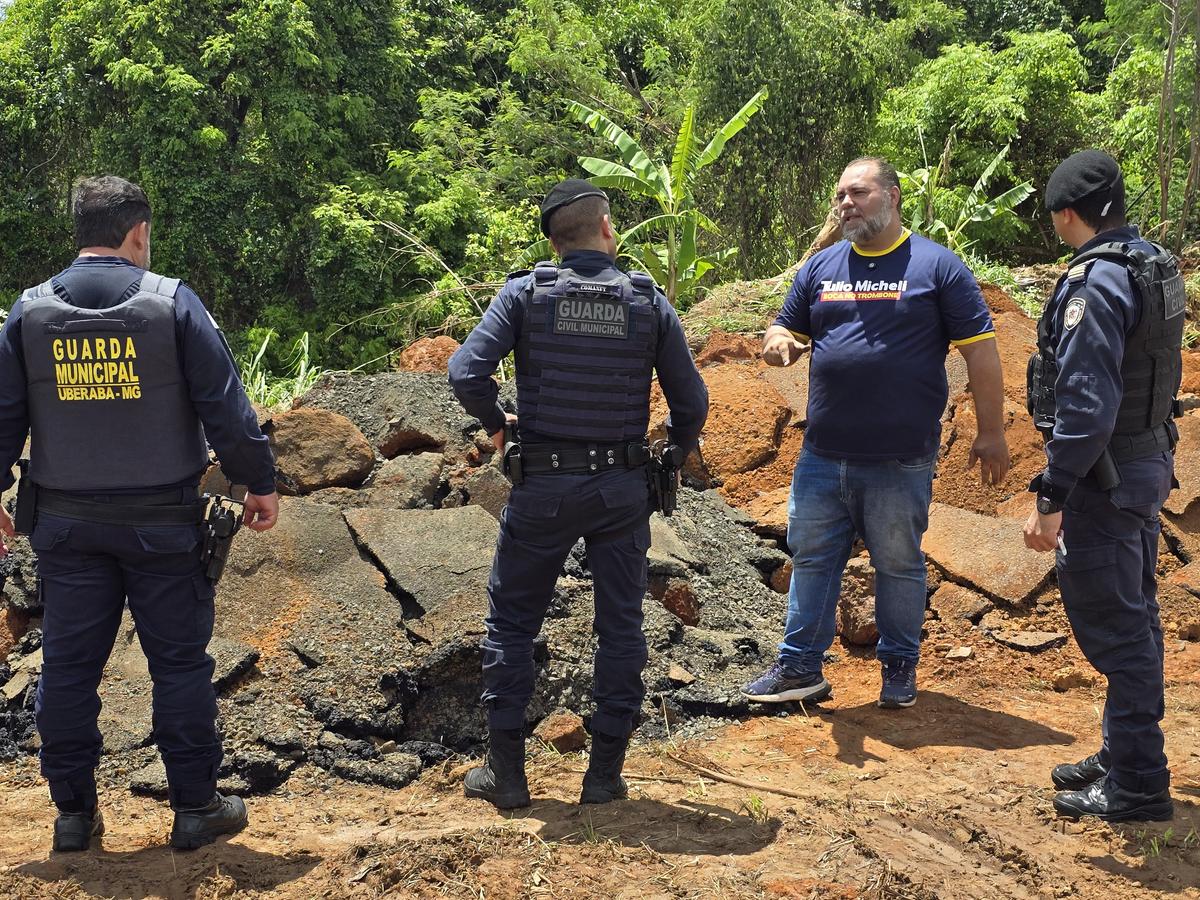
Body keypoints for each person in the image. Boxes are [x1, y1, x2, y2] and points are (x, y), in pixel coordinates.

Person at [0, 176, 279, 851]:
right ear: (139, 233)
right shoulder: (172, 304)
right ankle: (194, 809)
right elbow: (227, 409)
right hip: (163, 525)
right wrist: (258, 482)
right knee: (179, 666)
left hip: (66, 527)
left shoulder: (29, 312)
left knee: (67, 668)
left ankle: (72, 816)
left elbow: (4, 418)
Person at [448, 178, 708, 809]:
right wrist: (670, 455)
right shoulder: (648, 303)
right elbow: (692, 402)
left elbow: (464, 372)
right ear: (608, 229)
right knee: (619, 627)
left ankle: (507, 776)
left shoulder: (525, 296)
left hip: (543, 487)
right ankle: (604, 776)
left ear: (554, 241)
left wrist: (495, 424)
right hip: (621, 491)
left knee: (511, 623)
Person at [742, 156, 1010, 710]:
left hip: (898, 458)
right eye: (840, 195)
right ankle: (799, 668)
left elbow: (981, 353)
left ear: (892, 196)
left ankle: (898, 668)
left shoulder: (937, 267)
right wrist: (776, 345)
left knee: (898, 564)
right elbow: (782, 327)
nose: (846, 204)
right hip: (822, 454)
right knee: (813, 559)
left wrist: (990, 431)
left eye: (858, 193)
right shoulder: (822, 267)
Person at [1024, 150, 1184, 822]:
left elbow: (1085, 409)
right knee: (1137, 614)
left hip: (1105, 478)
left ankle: (1140, 784)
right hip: (1145, 463)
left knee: (1119, 632)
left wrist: (1052, 496)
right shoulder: (1153, 265)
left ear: (1067, 215)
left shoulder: (1095, 286)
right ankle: (1126, 752)